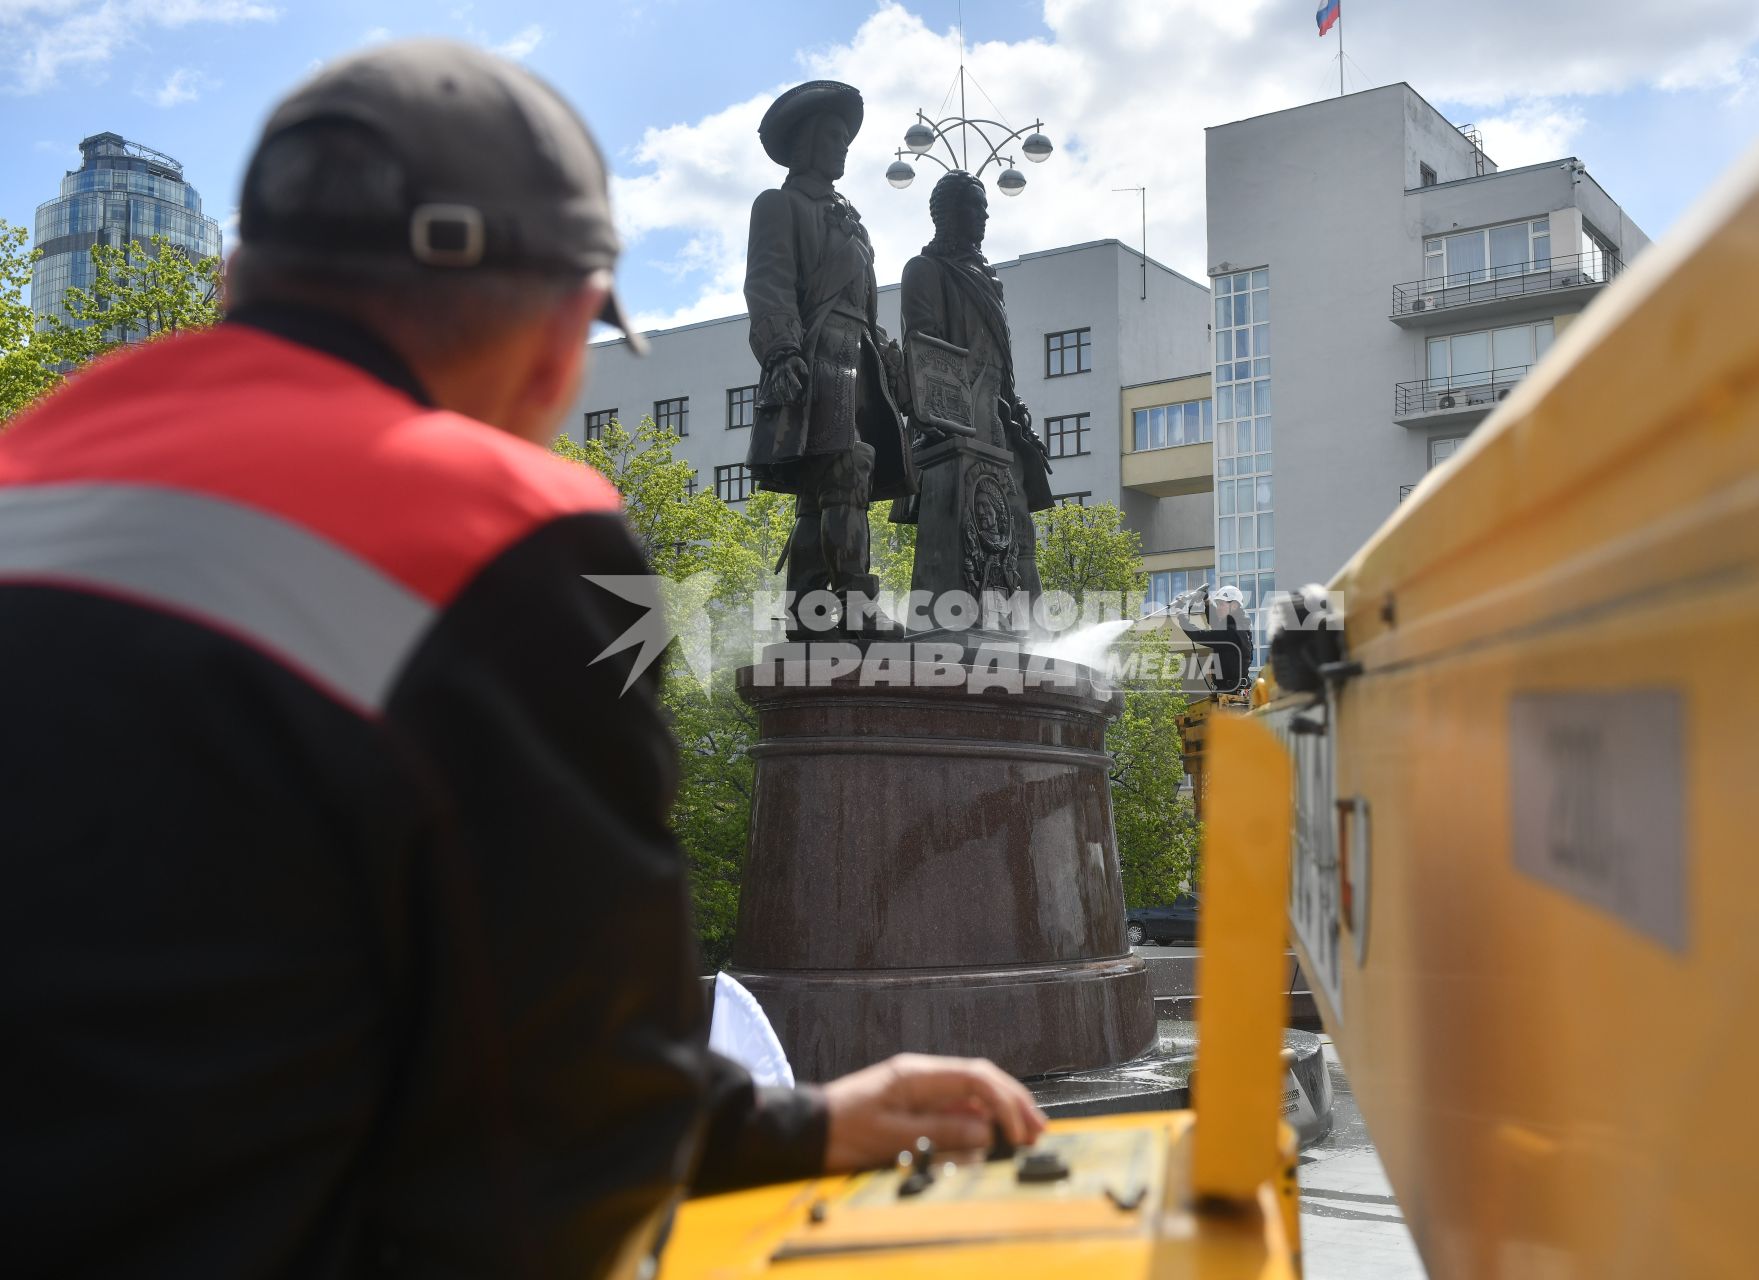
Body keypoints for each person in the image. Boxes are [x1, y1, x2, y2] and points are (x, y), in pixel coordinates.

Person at [0, 41, 1041, 1279]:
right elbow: (561, 1141)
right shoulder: (511, 543)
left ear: (240, 274)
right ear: (549, 317)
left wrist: (792, 1122)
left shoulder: (33, 474)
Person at [743, 80, 915, 640]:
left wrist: (885, 353)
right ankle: (856, 607)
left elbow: (864, 304)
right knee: (844, 471)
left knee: (831, 490)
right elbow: (769, 285)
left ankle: (807, 613)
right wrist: (782, 352)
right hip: (817, 358)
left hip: (857, 358)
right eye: (834, 137)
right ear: (806, 143)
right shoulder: (779, 205)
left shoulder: (851, 218)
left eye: (846, 138)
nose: (844, 147)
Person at [891, 169, 1053, 598]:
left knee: (1017, 520)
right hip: (953, 422)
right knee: (967, 519)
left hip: (996, 417)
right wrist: (943, 418)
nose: (984, 216)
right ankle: (960, 613)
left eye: (986, 208)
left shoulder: (987, 278)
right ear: (947, 213)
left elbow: (1000, 359)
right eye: (975, 206)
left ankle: (1029, 619)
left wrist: (1011, 406)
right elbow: (922, 348)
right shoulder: (924, 270)